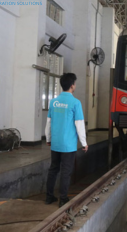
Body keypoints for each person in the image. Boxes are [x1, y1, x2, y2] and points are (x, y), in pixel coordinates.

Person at [45, 73, 88, 207]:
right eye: (74, 83)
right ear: (72, 86)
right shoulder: (75, 102)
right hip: (68, 145)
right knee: (66, 171)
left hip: (56, 143)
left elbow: (49, 123)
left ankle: (49, 197)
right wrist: (84, 143)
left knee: (53, 169)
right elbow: (79, 124)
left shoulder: (54, 102)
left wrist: (48, 138)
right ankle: (62, 199)